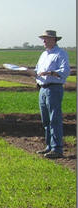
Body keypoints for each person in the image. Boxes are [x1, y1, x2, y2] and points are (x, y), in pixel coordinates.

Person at [33, 29, 70, 159]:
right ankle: (49, 145)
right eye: (43, 38)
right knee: (46, 120)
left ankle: (57, 148)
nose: (44, 40)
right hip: (43, 88)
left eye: (46, 38)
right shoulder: (43, 54)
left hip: (54, 88)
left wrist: (50, 73)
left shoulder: (61, 54)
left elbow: (65, 71)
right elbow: (37, 70)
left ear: (54, 40)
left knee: (54, 118)